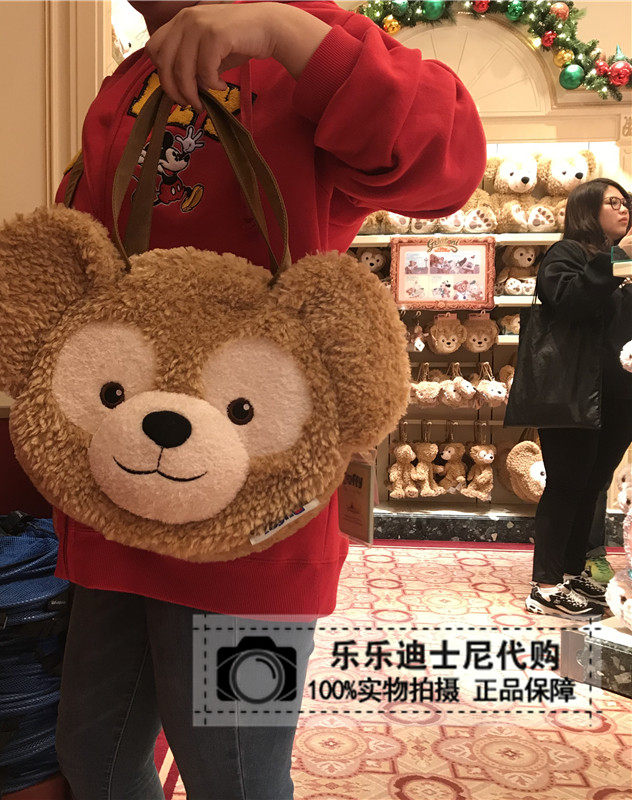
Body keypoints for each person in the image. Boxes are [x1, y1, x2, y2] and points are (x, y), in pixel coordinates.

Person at [52, 2, 485, 798]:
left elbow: (448, 161)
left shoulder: (301, 39)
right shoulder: (131, 79)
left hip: (253, 520)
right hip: (118, 501)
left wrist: (282, 34)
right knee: (94, 759)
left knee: (237, 779)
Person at [520, 178, 632, 620]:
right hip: (572, 394)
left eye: (626, 203)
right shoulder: (565, 254)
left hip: (616, 395)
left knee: (592, 484)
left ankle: (568, 572)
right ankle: (545, 586)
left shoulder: (622, 261)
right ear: (588, 210)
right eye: (613, 202)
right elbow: (568, 300)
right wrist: (611, 261)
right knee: (566, 484)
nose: (624, 209)